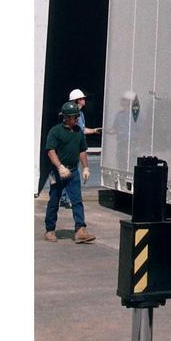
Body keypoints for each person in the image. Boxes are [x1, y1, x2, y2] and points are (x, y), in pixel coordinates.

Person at [43, 102, 96, 243]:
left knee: (77, 201)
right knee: (54, 201)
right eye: (74, 117)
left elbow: (82, 150)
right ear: (66, 117)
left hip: (73, 171)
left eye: (77, 116)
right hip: (58, 171)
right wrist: (60, 167)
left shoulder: (78, 132)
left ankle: (80, 230)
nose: (77, 119)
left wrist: (85, 167)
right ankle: (50, 230)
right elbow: (51, 151)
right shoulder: (56, 131)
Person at [61, 89, 102, 207]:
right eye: (83, 98)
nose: (85, 100)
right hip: (72, 147)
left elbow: (82, 130)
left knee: (69, 172)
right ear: (78, 100)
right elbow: (75, 131)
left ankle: (65, 197)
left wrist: (94, 130)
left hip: (76, 146)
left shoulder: (81, 114)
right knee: (71, 172)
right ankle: (67, 198)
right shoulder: (72, 115)